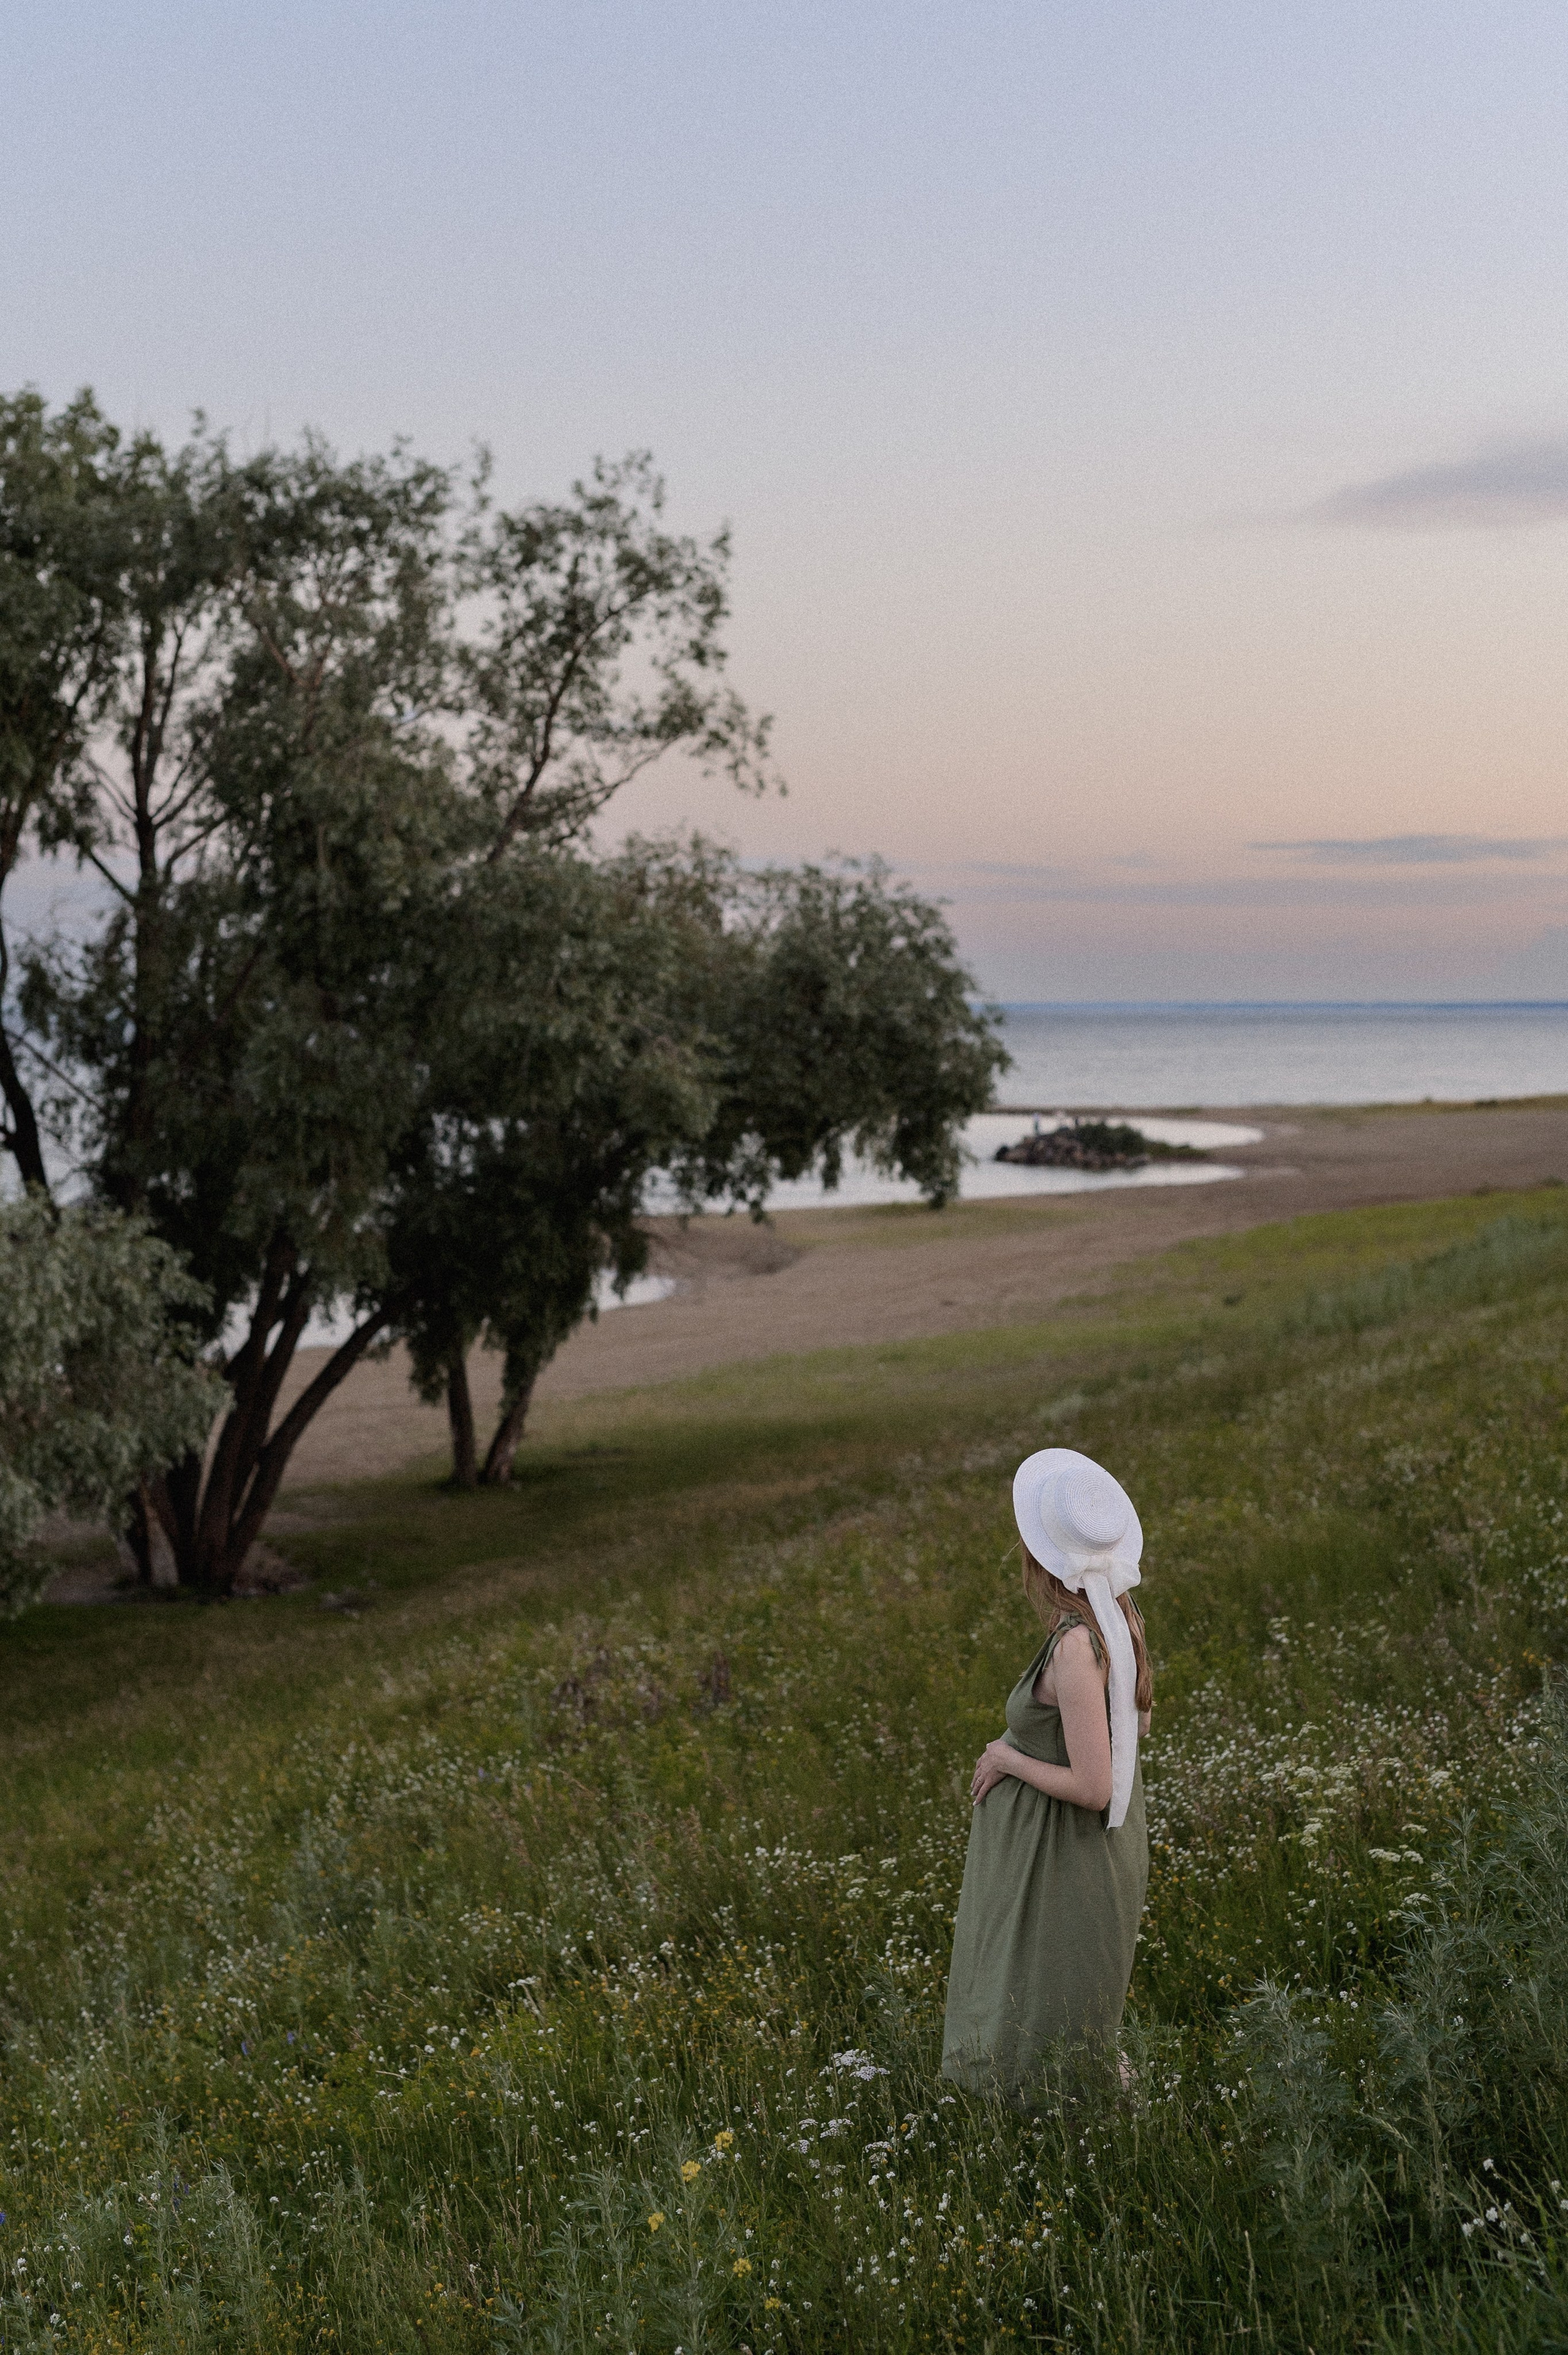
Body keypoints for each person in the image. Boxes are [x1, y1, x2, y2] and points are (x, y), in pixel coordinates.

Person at [941, 1447, 1153, 2103]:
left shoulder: (1074, 1644)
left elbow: (1093, 1785)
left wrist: (1008, 1758)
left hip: (1066, 1854)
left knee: (1061, 2005)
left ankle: (1066, 2133)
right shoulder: (1120, 1623)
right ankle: (1074, 2125)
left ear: (1038, 1557)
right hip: (1091, 1850)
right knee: (1070, 2001)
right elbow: (1137, 1729)